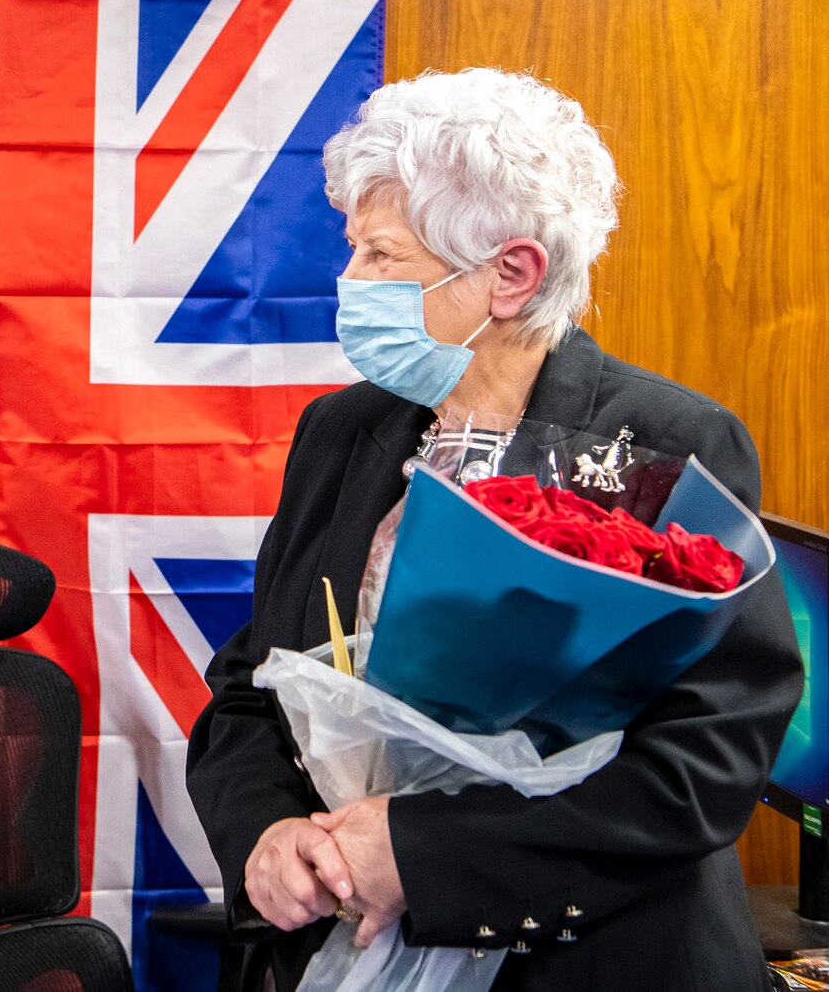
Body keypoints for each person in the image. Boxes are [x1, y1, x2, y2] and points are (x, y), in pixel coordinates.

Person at [185, 68, 802, 991]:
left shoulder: (673, 444)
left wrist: (426, 857)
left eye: (382, 257)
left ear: (512, 273)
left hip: (585, 961)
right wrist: (267, 836)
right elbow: (247, 685)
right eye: (353, 247)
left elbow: (706, 759)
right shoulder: (339, 432)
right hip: (336, 944)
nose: (347, 282)